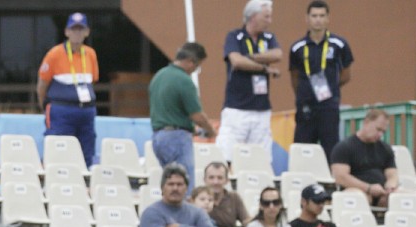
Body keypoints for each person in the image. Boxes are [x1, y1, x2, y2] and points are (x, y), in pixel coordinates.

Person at [288, 1, 354, 157]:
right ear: (307, 18)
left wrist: (330, 88)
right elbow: (294, 76)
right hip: (306, 107)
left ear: (328, 19)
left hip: (328, 106)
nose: (318, 19)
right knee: (302, 149)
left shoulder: (339, 44)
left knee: (331, 149)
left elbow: (346, 74)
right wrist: (304, 94)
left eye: (321, 16)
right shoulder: (297, 47)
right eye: (314, 16)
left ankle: (329, 180)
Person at [220, 1, 283, 161]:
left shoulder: (269, 37)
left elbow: (277, 54)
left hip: (261, 108)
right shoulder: (234, 36)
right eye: (266, 17)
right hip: (237, 108)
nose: (270, 21)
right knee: (228, 156)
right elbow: (236, 61)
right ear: (253, 17)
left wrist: (249, 57)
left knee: (261, 158)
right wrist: (264, 69)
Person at [37, 14, 101, 167]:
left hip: (86, 111)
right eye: (73, 29)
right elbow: (42, 85)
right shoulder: (54, 54)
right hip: (61, 110)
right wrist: (44, 106)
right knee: (58, 150)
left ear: (87, 32)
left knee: (87, 152)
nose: (77, 33)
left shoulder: (90, 54)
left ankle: (84, 186)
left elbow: (92, 81)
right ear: (66, 32)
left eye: (81, 29)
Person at [148, 43, 216, 170]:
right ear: (191, 62)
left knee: (170, 182)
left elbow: (169, 111)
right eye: (198, 66)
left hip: (158, 138)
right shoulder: (184, 80)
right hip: (177, 138)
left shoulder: (159, 76)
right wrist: (210, 131)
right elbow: (197, 116)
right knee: (184, 182)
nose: (196, 70)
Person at [330, 109, 400, 208]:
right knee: (359, 197)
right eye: (378, 129)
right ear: (366, 122)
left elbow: (392, 174)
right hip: (356, 190)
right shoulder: (344, 147)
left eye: (383, 132)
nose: (380, 134)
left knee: (406, 196)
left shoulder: (385, 149)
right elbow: (341, 177)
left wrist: (390, 187)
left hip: (381, 192)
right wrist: (368, 188)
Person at [201, 162, 251, 227]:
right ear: (204, 179)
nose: (215, 182)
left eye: (220, 178)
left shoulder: (234, 197)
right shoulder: (197, 198)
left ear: (227, 180)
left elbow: (247, 222)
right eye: (211, 177)